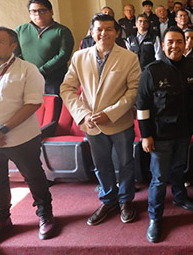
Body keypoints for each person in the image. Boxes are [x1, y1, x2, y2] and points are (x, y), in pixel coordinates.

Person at [0, 27, 57, 254]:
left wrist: (2, 130)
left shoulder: (27, 70)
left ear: (13, 46)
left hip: (21, 138)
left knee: (34, 176)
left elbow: (33, 103)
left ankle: (45, 214)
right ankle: (0, 220)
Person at [60, 14, 141, 226]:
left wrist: (110, 113)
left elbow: (133, 91)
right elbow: (66, 89)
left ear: (117, 33)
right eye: (99, 29)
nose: (103, 33)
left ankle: (125, 200)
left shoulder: (129, 57)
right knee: (101, 165)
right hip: (91, 123)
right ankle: (108, 200)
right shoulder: (79, 57)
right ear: (91, 32)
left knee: (125, 163)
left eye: (108, 29)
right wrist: (83, 114)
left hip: (119, 121)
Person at [137, 27, 193, 242]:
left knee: (179, 169)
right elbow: (142, 106)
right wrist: (145, 135)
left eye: (179, 42)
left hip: (183, 132)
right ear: (163, 46)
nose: (175, 46)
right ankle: (155, 217)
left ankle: (180, 198)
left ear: (185, 44)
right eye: (170, 42)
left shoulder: (191, 67)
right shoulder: (152, 71)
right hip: (160, 135)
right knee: (159, 179)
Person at [14, 0, 74, 95]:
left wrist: (41, 71)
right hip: (27, 78)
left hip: (54, 80)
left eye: (42, 10)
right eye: (33, 11)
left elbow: (63, 55)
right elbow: (14, 53)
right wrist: (27, 70)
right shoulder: (20, 30)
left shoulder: (62, 31)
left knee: (52, 104)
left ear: (51, 12)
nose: (38, 14)